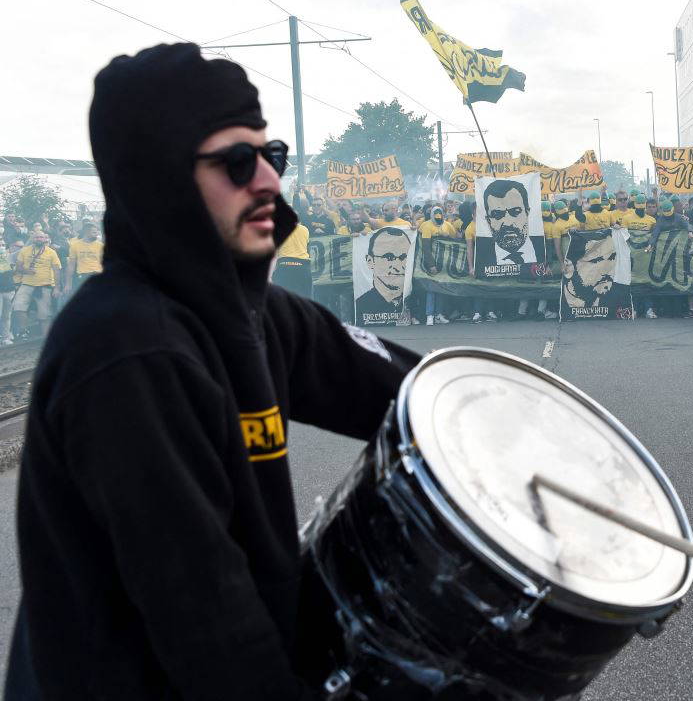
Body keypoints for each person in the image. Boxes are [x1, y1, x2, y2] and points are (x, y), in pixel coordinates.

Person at [5, 43, 421, 700]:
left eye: (271, 154)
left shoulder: (253, 314)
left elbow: (410, 388)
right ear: (160, 177)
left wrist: (506, 420)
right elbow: (209, 620)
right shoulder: (127, 350)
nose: (269, 181)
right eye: (236, 161)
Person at [559, 229, 624, 319]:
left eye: (612, 258)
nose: (607, 267)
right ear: (571, 266)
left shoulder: (613, 303)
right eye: (596, 260)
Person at [354, 226, 412, 326]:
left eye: (403, 257)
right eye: (389, 257)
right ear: (370, 261)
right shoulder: (360, 305)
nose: (398, 267)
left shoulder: (414, 302)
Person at [644, 198, 690, 318]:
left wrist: (689, 231)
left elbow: (686, 225)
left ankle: (679, 310)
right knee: (665, 281)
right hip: (663, 255)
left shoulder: (679, 217)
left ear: (672, 209)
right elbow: (655, 233)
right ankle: (666, 310)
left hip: (678, 255)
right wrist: (650, 245)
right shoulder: (660, 220)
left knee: (678, 280)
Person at [10, 230, 61, 339]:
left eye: (41, 237)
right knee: (18, 307)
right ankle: (24, 331)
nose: (39, 239)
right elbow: (18, 267)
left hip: (45, 286)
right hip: (26, 284)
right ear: (33, 239)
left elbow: (57, 270)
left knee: (44, 315)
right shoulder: (24, 251)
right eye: (37, 237)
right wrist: (27, 271)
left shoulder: (51, 252)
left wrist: (57, 288)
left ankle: (46, 339)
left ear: (45, 239)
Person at [418, 205, 456, 325]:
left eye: (440, 215)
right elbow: (426, 247)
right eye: (436, 216)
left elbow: (456, 241)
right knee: (431, 288)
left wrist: (448, 236)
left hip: (444, 262)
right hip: (430, 261)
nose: (438, 218)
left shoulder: (448, 225)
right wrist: (431, 264)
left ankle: (439, 314)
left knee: (441, 288)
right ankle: (430, 315)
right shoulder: (426, 226)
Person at [64, 220, 104, 297]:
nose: (97, 235)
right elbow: (71, 266)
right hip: (81, 277)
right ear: (86, 233)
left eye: (97, 232)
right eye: (94, 233)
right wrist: (68, 284)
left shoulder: (100, 246)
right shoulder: (75, 245)